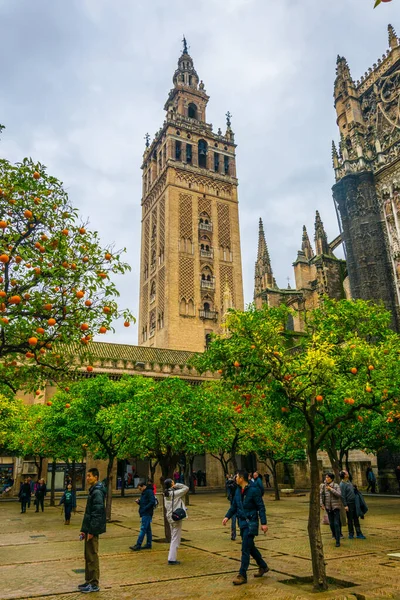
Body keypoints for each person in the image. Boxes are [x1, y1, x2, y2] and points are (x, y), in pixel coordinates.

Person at [223, 470, 269, 586]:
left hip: (251, 522)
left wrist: (263, 523)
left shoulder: (254, 490)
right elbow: (234, 506)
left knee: (245, 549)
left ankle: (242, 574)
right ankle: (263, 565)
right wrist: (227, 517)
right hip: (242, 523)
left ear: (242, 478)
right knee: (250, 546)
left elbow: (261, 507)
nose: (235, 478)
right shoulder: (237, 491)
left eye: (237, 476)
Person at [78, 468, 106, 594]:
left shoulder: (97, 492)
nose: (87, 478)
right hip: (89, 528)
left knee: (92, 556)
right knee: (88, 555)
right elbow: (88, 513)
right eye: (87, 476)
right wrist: (84, 530)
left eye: (89, 476)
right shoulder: (93, 491)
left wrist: (92, 531)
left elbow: (97, 513)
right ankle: (88, 580)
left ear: (96, 477)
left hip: (92, 530)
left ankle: (94, 583)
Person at [163, 479, 189, 565]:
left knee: (174, 536)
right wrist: (177, 485)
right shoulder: (175, 493)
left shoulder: (166, 494)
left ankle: (172, 557)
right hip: (175, 517)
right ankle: (172, 559)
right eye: (173, 482)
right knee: (175, 538)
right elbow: (186, 488)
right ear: (171, 484)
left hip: (170, 517)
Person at [130, 480, 156, 551]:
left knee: (143, 528)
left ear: (143, 486)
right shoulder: (145, 492)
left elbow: (152, 501)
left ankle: (138, 544)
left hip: (147, 512)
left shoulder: (149, 492)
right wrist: (139, 502)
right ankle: (148, 543)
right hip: (145, 512)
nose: (140, 490)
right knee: (148, 529)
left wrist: (145, 508)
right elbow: (145, 502)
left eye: (140, 488)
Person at [339, 471, 366, 540]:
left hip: (354, 502)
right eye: (346, 473)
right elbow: (342, 496)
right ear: (344, 475)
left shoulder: (349, 482)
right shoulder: (342, 484)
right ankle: (351, 533)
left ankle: (359, 533)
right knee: (350, 519)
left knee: (356, 518)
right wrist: (345, 505)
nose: (348, 474)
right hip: (349, 503)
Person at [320, 472, 342, 547]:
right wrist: (322, 504)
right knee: (331, 524)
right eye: (326, 477)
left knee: (336, 523)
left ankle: (338, 540)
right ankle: (334, 535)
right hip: (328, 507)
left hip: (335, 507)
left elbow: (339, 494)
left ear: (331, 479)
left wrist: (331, 489)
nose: (326, 479)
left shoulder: (336, 486)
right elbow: (321, 496)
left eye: (328, 477)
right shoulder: (323, 487)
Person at [226, 475, 238, 541]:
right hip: (235, 505)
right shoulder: (235, 486)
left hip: (235, 505)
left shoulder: (232, 486)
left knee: (235, 521)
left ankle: (234, 535)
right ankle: (234, 534)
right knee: (235, 521)